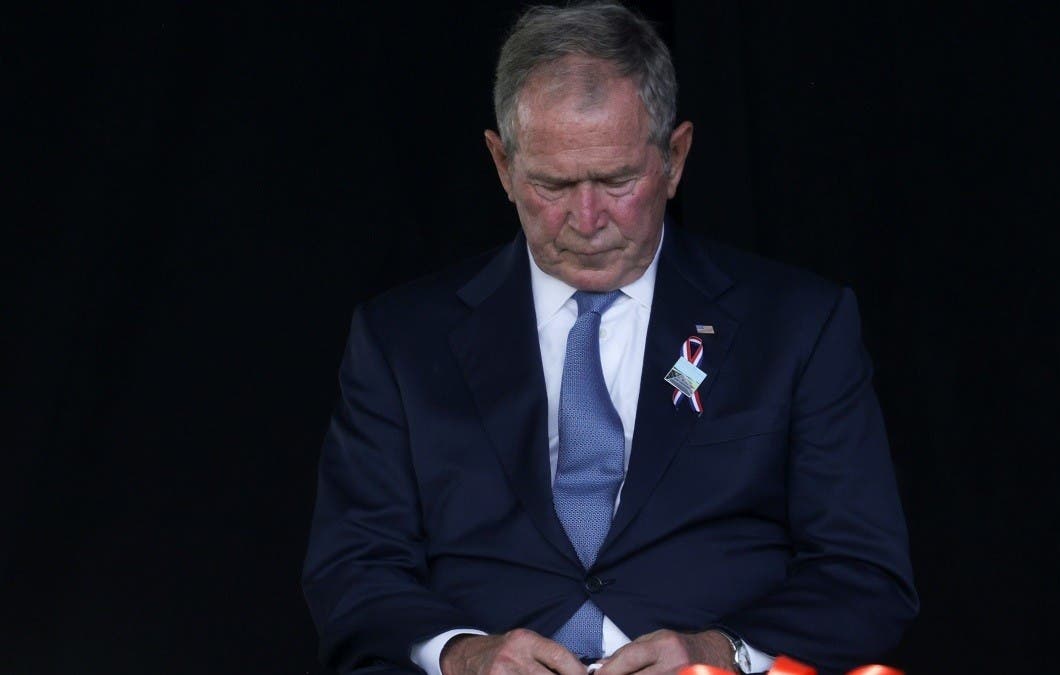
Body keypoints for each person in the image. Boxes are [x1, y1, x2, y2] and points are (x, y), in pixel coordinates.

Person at [302, 4, 918, 675]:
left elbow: (866, 574)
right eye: (553, 185)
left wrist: (718, 652)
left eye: (618, 181)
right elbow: (353, 568)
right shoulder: (400, 341)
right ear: (502, 165)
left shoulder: (798, 326)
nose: (588, 218)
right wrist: (461, 652)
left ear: (675, 158)